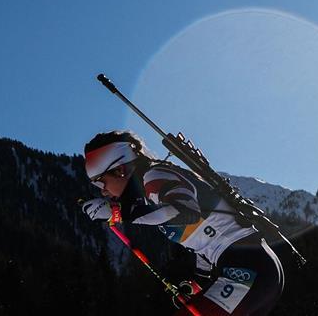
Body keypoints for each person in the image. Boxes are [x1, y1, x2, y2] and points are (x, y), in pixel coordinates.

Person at [81, 131, 284, 315]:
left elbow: (186, 213)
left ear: (120, 170)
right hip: (253, 267)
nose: (102, 191)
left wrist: (119, 213)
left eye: (101, 180)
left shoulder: (154, 177)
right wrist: (199, 283)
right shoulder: (150, 194)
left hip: (248, 265)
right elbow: (205, 241)